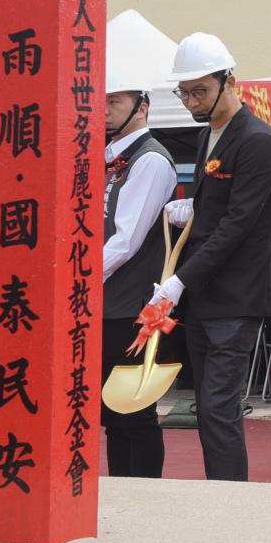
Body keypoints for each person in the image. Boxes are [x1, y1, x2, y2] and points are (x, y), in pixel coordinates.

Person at [157, 33, 271, 482]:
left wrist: (180, 280)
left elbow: (238, 224)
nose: (192, 102)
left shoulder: (256, 140)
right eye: (185, 92)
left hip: (237, 297)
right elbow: (215, 213)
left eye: (200, 91)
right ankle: (220, 491)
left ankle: (231, 498)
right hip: (206, 298)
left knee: (218, 405)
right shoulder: (206, 135)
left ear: (230, 82)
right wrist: (188, 210)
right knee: (206, 407)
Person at [102, 76, 178, 478]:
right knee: (113, 412)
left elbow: (125, 240)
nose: (106, 106)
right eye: (103, 99)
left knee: (134, 411)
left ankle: (145, 492)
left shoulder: (149, 159)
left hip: (130, 306)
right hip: (106, 303)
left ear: (142, 106)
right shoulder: (109, 157)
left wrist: (77, 279)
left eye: (116, 100)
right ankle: (119, 490)